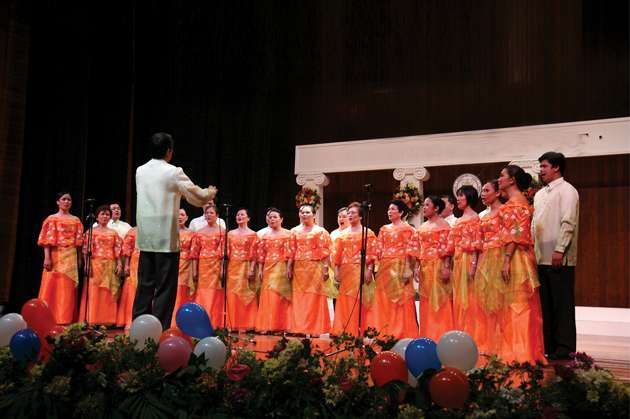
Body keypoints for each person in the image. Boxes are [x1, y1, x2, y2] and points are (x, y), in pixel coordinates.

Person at [134, 132, 216, 329]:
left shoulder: (140, 170)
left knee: (145, 286)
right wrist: (209, 193)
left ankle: (139, 328)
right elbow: (196, 195)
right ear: (169, 151)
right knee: (165, 288)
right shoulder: (173, 172)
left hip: (145, 237)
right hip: (165, 238)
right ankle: (159, 330)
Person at [532, 152, 579, 360]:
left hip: (559, 257)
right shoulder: (540, 194)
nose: (541, 170)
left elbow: (568, 222)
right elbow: (534, 225)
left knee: (562, 303)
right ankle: (549, 344)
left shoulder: (568, 191)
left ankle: (565, 346)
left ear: (556, 167)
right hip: (540, 257)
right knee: (546, 304)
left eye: (544, 166)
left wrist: (560, 249)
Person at [497, 165, 546, 363]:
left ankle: (521, 352)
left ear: (512, 180)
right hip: (513, 254)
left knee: (518, 303)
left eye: (502, 176)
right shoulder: (513, 202)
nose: (499, 179)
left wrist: (506, 259)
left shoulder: (517, 203)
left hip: (516, 257)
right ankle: (515, 350)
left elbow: (517, 233)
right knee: (513, 304)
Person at [372, 200, 418, 339]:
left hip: (401, 267)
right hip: (385, 268)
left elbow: (412, 250)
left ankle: (402, 333)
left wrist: (408, 269)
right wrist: (375, 265)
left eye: (393, 209)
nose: (389, 211)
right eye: (388, 209)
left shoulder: (409, 229)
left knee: (401, 299)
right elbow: (378, 249)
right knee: (384, 299)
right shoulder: (384, 229)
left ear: (401, 212)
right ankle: (385, 332)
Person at [331, 202, 377, 337]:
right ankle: (345, 329)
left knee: (361, 299)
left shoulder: (368, 233)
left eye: (353, 213)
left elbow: (372, 253)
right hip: (346, 270)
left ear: (361, 216)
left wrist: (369, 270)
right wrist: (336, 270)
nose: (350, 215)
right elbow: (337, 254)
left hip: (361, 269)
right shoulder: (342, 234)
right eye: (349, 213)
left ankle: (362, 329)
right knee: (345, 299)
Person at [37, 192, 84, 324]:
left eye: (69, 199)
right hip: (55, 255)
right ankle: (47, 316)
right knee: (52, 286)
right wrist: (47, 257)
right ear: (58, 202)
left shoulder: (76, 220)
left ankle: (64, 318)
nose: (67, 202)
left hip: (71, 256)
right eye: (64, 199)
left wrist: (79, 258)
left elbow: (79, 242)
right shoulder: (52, 219)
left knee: (67, 287)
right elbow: (46, 240)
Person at [411, 196, 453, 342]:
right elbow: (418, 249)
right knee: (426, 301)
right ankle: (427, 336)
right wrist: (417, 267)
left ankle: (442, 336)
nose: (424, 207)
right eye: (424, 205)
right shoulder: (422, 227)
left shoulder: (444, 225)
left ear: (436, 208)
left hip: (438, 265)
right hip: (425, 268)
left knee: (440, 301)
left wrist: (446, 267)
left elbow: (448, 249)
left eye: (427, 205)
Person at [289, 204, 332, 336]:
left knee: (314, 297)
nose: (304, 214)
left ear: (314, 215)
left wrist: (325, 269)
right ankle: (299, 328)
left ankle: (315, 329)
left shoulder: (320, 231)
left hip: (314, 268)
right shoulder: (294, 231)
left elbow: (325, 252)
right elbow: (291, 251)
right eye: (302, 212)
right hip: (299, 269)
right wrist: (289, 267)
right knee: (299, 298)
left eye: (307, 212)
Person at [474, 180, 504, 355]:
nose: (483, 194)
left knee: (499, 299)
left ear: (498, 193)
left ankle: (500, 341)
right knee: (485, 299)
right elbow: (479, 242)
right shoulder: (483, 216)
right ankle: (489, 340)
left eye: (487, 190)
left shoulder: (504, 211)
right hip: (485, 257)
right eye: (482, 191)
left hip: (499, 256)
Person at [448, 186, 482, 340]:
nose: (458, 199)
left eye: (461, 195)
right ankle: (460, 332)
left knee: (470, 297)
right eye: (458, 195)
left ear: (469, 197)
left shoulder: (475, 218)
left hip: (468, 260)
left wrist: (473, 266)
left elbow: (476, 244)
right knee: (459, 298)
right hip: (458, 260)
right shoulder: (459, 220)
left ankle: (472, 334)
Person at [79, 205, 122, 326]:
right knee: (94, 292)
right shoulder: (91, 232)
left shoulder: (113, 233)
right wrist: (87, 264)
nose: (105, 216)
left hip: (110, 265)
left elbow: (117, 250)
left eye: (107, 214)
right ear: (97, 217)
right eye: (102, 214)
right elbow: (85, 250)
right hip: (95, 264)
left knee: (107, 292)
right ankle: (92, 319)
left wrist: (119, 264)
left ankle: (107, 320)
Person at [252, 208, 293, 334]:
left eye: (275, 217)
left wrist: (289, 267)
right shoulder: (264, 235)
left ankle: (279, 326)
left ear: (281, 219)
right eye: (270, 217)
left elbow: (290, 253)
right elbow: (260, 254)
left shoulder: (288, 234)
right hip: (267, 267)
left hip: (281, 267)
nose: (272, 219)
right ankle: (267, 325)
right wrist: (260, 269)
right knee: (267, 296)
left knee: (279, 296)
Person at [226, 208, 258, 332]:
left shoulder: (253, 234)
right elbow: (227, 253)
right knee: (232, 294)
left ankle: (246, 324)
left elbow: (255, 254)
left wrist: (252, 269)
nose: (239, 217)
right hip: (233, 266)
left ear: (248, 218)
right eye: (238, 215)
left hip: (246, 266)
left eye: (242, 215)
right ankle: (232, 324)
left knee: (246, 294)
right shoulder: (230, 234)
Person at [193, 204, 225, 328]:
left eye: (211, 213)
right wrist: (194, 269)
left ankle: (214, 321)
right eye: (207, 213)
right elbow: (195, 253)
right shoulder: (199, 232)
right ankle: (201, 319)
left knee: (215, 292)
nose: (209, 215)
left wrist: (222, 269)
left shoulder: (222, 231)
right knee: (203, 291)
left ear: (217, 215)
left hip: (216, 265)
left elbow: (223, 253)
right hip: (203, 265)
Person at [171, 208, 198, 325]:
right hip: (171, 263)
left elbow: (194, 253)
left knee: (183, 290)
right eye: (177, 214)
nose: (179, 217)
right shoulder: (169, 232)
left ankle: (184, 319)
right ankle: (171, 319)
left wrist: (194, 269)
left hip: (186, 265)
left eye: (182, 214)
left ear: (186, 218)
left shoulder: (192, 234)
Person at [116, 226, 139, 329]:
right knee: (133, 289)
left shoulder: (154, 229)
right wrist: (126, 265)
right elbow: (127, 248)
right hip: (135, 261)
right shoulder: (133, 231)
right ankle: (129, 320)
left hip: (151, 261)